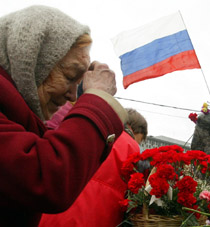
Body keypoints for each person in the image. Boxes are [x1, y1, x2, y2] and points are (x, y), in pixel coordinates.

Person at [0, 5, 128, 226]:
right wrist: (98, 100)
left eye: (78, 83)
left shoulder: (18, 117)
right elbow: (47, 179)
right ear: (28, 60)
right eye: (69, 76)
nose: (71, 95)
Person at [39, 108, 148, 227]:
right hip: (95, 219)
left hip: (52, 212)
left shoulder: (90, 130)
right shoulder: (131, 147)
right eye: (140, 140)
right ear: (136, 131)